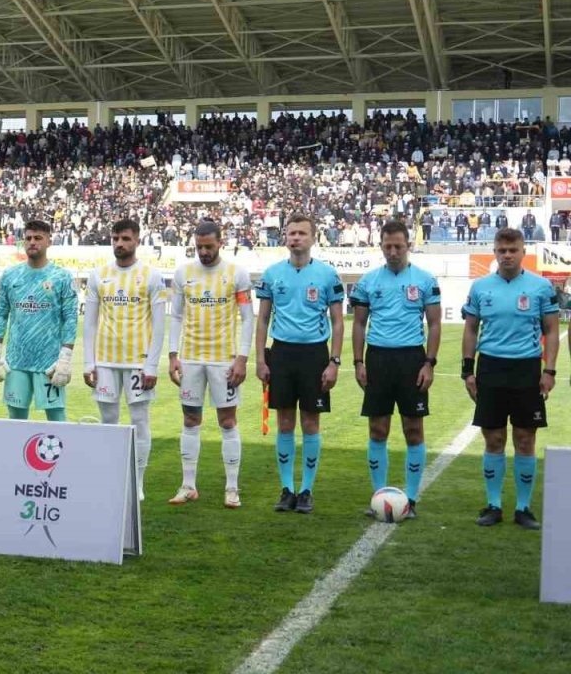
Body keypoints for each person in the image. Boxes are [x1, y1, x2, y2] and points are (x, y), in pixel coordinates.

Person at [463, 228, 559, 530]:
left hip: (526, 370)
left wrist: (549, 370)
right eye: (502, 250)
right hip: (490, 368)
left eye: (513, 250)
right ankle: (493, 505)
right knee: (493, 438)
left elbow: (551, 330)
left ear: (523, 252)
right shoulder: (480, 287)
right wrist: (468, 370)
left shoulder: (541, 287)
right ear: (494, 252)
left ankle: (523, 507)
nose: (507, 255)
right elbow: (471, 329)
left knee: (525, 439)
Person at [350, 220, 441, 519]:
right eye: (387, 246)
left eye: (398, 246)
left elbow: (434, 323)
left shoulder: (425, 280)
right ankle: (380, 497)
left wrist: (429, 363)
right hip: (378, 359)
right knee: (378, 429)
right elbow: (359, 324)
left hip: (412, 360)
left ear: (408, 246)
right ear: (381, 246)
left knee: (413, 429)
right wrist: (359, 362)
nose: (392, 252)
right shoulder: (368, 281)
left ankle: (410, 500)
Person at [255, 213, 345, 514]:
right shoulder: (272, 274)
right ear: (285, 237)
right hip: (281, 353)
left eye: (302, 233)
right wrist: (260, 359)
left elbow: (338, 321)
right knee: (284, 422)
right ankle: (287, 489)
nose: (296, 238)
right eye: (291, 233)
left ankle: (306, 490)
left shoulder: (328, 275)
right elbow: (263, 319)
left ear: (313, 237)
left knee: (310, 423)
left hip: (314, 355)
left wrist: (334, 362)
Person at [167, 220, 255, 509]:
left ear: (220, 243)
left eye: (208, 246)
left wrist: (242, 358)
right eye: (199, 247)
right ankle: (188, 486)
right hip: (191, 359)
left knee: (227, 421)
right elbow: (176, 316)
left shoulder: (237, 273)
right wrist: (173, 355)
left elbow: (247, 318)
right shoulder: (183, 273)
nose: (203, 252)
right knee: (190, 420)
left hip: (224, 360)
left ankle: (232, 488)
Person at [83, 219, 167, 501]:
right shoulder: (98, 275)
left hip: (137, 363)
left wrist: (151, 365)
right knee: (108, 420)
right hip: (105, 362)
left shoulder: (151, 276)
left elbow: (159, 325)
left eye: (126, 239)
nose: (119, 243)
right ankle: (112, 478)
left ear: (137, 241)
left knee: (139, 420)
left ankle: (137, 482)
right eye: (116, 238)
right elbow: (90, 323)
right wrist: (89, 362)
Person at [0, 220, 78, 421]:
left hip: (49, 362)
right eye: (28, 238)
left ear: (49, 241)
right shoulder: (10, 275)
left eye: (38, 238)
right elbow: (1, 315)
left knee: (56, 418)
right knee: (16, 417)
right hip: (16, 361)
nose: (32, 242)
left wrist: (65, 359)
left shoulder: (61, 277)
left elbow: (70, 319)